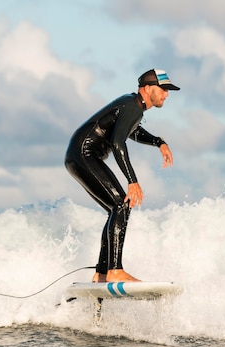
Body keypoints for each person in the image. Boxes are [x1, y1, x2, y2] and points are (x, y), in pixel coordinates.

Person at [65, 69, 179, 283]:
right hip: (84, 154)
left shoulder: (131, 106)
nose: (167, 94)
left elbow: (131, 131)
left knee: (115, 208)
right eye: (163, 89)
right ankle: (115, 270)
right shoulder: (132, 107)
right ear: (147, 89)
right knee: (121, 205)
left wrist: (159, 142)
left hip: (78, 156)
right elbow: (118, 143)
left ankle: (101, 273)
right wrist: (132, 181)